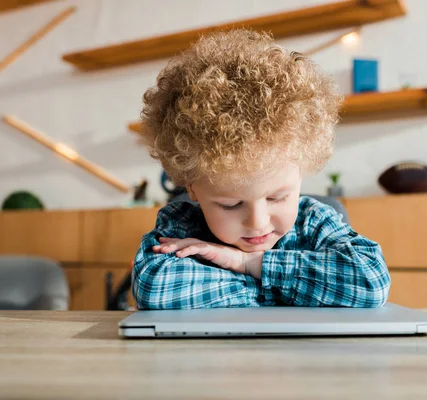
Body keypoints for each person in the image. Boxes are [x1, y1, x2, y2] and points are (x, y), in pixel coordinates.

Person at [132, 29, 390, 309]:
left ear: (300, 172)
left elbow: (371, 281)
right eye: (230, 204)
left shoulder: (314, 222)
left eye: (276, 197)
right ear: (191, 187)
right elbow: (153, 287)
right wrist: (286, 288)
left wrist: (249, 263)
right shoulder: (182, 224)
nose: (257, 222)